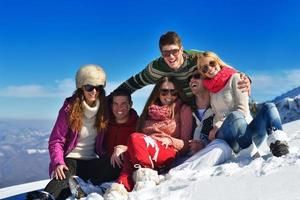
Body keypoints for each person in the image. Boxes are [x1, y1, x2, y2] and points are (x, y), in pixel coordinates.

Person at [26, 64, 110, 200]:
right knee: (63, 176)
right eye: (89, 87)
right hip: (71, 159)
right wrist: (58, 162)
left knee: (116, 165)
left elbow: (122, 102)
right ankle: (43, 197)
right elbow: (56, 140)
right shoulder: (69, 109)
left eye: (98, 87)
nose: (94, 91)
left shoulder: (105, 108)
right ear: (81, 87)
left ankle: (84, 188)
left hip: (93, 161)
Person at [103, 76, 193, 200]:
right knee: (129, 155)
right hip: (145, 151)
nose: (169, 95)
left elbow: (186, 143)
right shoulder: (149, 111)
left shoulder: (183, 109)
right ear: (158, 92)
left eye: (173, 91)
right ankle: (120, 188)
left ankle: (146, 182)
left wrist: (170, 140)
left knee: (134, 138)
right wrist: (124, 147)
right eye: (164, 91)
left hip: (167, 152)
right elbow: (139, 139)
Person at [197, 51, 289, 158]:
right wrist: (214, 127)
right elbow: (214, 112)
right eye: (204, 68)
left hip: (247, 132)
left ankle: (278, 144)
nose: (209, 69)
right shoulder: (210, 89)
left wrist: (217, 125)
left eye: (211, 63)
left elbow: (243, 110)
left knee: (269, 107)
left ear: (218, 62)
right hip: (228, 136)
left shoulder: (236, 78)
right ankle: (251, 155)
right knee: (235, 116)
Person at [114, 31, 250, 100]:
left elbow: (225, 68)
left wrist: (245, 79)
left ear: (181, 49)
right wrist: (108, 100)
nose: (171, 57)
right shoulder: (156, 68)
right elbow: (133, 83)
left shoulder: (197, 58)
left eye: (174, 51)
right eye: (166, 53)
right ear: (161, 53)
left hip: (206, 102)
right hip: (180, 108)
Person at [68, 89, 139, 198]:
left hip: (123, 166)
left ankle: (92, 188)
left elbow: (141, 146)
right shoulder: (105, 122)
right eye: (115, 104)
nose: (119, 108)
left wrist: (126, 148)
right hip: (102, 163)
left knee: (118, 158)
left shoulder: (138, 125)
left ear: (130, 105)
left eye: (123, 104)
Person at [170, 68, 232, 172]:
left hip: (214, 151)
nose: (191, 80)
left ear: (208, 80)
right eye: (189, 78)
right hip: (186, 156)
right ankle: (178, 171)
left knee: (222, 146)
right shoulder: (184, 107)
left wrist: (204, 144)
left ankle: (180, 173)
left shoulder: (219, 103)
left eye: (197, 76)